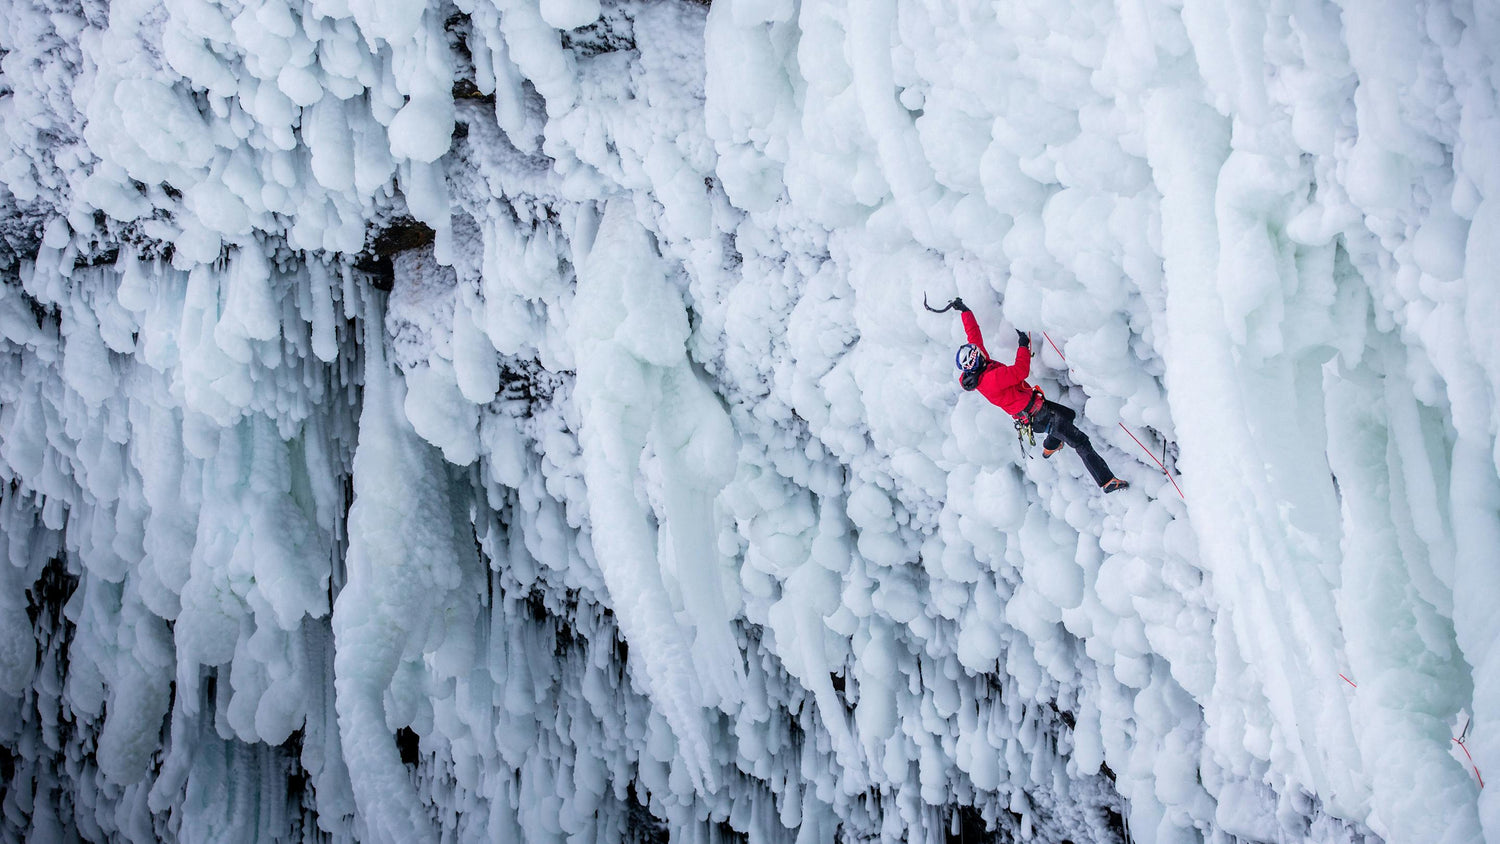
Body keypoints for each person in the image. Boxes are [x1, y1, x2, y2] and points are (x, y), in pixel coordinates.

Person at [948, 298, 1129, 493]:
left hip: (1035, 409)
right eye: (978, 353)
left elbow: (974, 336)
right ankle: (1106, 481)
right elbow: (1020, 371)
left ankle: (1051, 444)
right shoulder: (991, 379)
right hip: (1039, 416)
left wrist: (964, 311)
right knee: (1081, 441)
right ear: (977, 360)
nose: (981, 351)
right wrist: (1023, 345)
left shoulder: (978, 368)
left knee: (1069, 415)